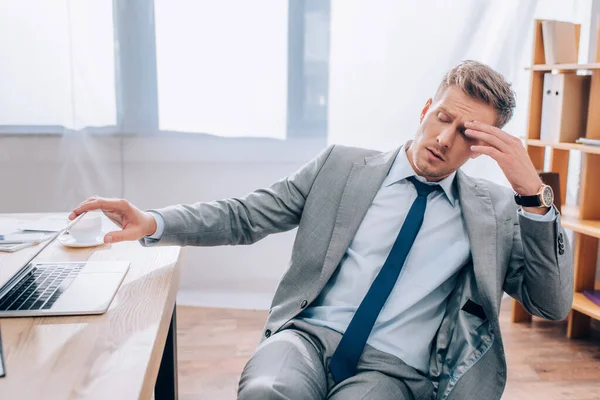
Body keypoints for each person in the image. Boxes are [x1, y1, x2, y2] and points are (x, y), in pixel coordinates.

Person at [70, 60, 573, 400]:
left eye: (466, 133)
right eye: (441, 118)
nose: (443, 139)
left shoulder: (497, 210)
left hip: (393, 371)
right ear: (425, 110)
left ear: (485, 145)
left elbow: (550, 303)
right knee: (268, 392)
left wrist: (533, 193)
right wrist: (155, 221)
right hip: (307, 338)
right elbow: (246, 215)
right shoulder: (339, 167)